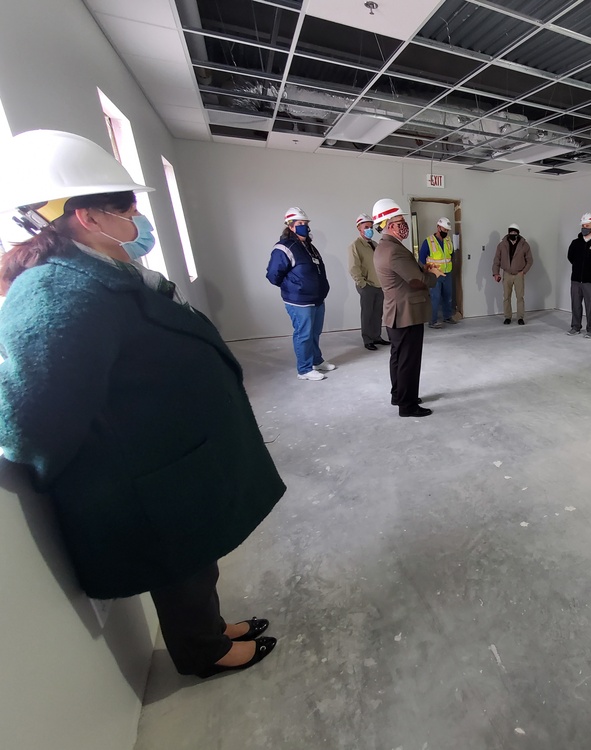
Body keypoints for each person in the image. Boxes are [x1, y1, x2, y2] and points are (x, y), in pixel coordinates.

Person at [0, 130, 284, 679]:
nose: (136, 216)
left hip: (171, 464)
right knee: (180, 568)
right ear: (86, 216)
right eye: (125, 205)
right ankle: (204, 652)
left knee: (197, 565)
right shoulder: (55, 291)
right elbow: (31, 418)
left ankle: (212, 627)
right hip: (146, 479)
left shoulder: (106, 270)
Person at [372, 198, 445, 418]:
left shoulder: (387, 247)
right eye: (400, 220)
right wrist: (433, 274)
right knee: (408, 361)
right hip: (406, 313)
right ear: (389, 225)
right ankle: (408, 405)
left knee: (399, 357)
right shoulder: (394, 250)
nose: (404, 224)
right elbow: (415, 281)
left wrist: (423, 267)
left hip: (397, 312)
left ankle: (400, 395)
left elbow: (406, 273)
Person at [266, 207, 336, 380]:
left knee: (314, 332)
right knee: (303, 334)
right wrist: (293, 287)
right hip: (299, 300)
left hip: (317, 298)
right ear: (290, 226)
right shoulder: (284, 247)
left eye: (305, 223)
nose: (304, 226)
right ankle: (304, 369)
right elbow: (273, 274)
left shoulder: (309, 247)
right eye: (300, 223)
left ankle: (316, 361)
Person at [349, 212, 390, 351]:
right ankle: (368, 339)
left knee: (378, 313)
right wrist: (362, 284)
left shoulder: (374, 244)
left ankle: (377, 336)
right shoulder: (355, 246)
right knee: (367, 313)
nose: (370, 229)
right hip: (367, 285)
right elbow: (354, 267)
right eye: (366, 227)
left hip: (379, 284)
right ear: (359, 228)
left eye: (371, 226)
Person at [492, 222, 533, 325]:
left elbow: (530, 260)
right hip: (507, 274)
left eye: (515, 232)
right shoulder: (502, 245)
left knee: (520, 297)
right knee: (506, 297)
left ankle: (520, 317)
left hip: (519, 274)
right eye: (511, 231)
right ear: (508, 232)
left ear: (518, 233)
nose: (512, 233)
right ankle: (507, 317)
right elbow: (497, 260)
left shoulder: (524, 245)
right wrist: (496, 273)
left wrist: (524, 271)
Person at [418, 217, 455, 329]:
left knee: (448, 295)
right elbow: (422, 258)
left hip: (447, 273)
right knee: (435, 297)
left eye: (447, 230)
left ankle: (447, 316)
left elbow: (451, 255)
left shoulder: (448, 241)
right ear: (438, 228)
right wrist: (427, 270)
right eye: (444, 230)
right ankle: (432, 321)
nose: (446, 232)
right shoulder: (429, 241)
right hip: (434, 275)